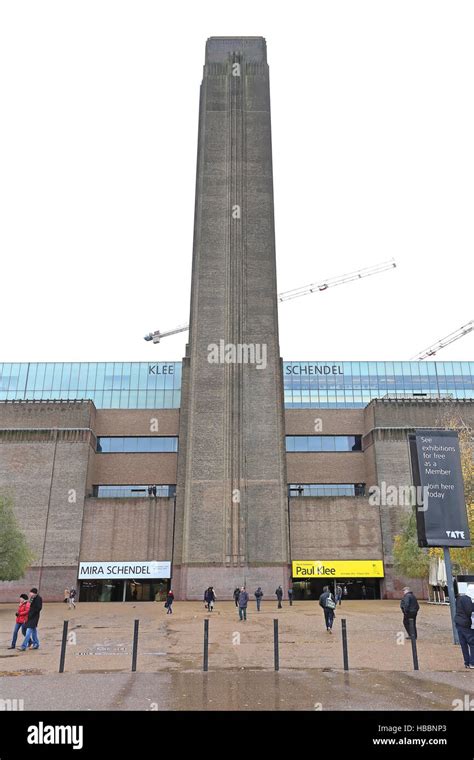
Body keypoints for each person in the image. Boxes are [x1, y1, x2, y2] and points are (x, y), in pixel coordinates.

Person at [454, 591, 474, 669]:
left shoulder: (459, 598)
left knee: (463, 644)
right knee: (472, 643)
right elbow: (469, 611)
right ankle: (472, 662)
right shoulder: (468, 600)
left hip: (458, 622)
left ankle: (467, 662)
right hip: (466, 624)